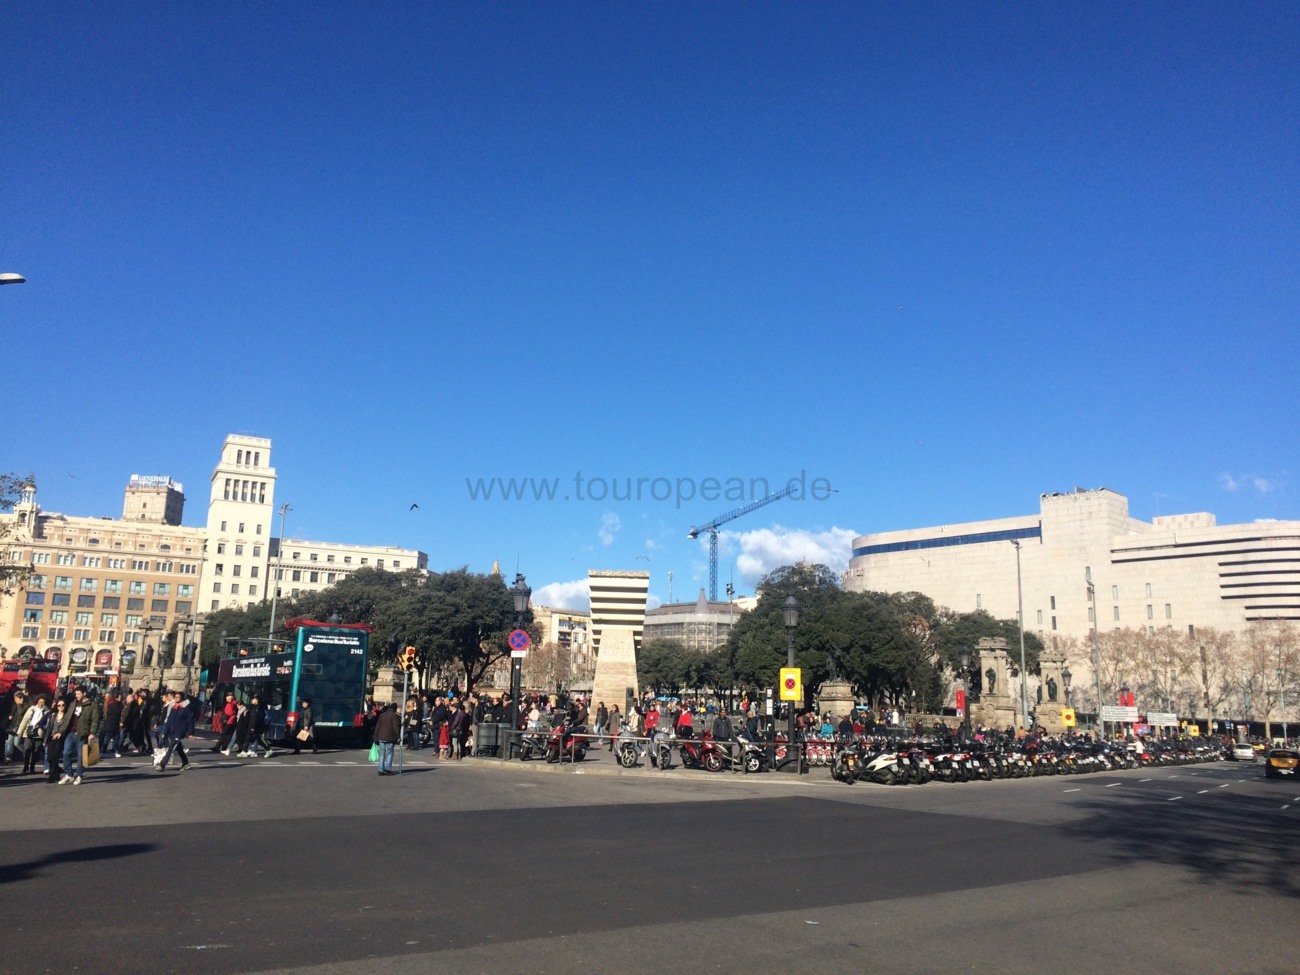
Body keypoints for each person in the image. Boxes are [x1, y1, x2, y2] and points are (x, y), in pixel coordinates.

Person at [62, 685, 101, 785]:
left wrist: (92, 733)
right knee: (66, 753)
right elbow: (67, 718)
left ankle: (79, 775)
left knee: (81, 757)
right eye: (76, 694)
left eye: (78, 694)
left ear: (84, 694)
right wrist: (61, 730)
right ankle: (69, 774)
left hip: (82, 733)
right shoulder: (73, 703)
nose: (77, 696)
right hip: (70, 732)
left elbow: (95, 720)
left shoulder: (92, 705)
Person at [156, 691, 195, 772]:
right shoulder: (174, 707)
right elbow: (169, 721)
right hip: (172, 731)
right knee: (178, 747)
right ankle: (186, 763)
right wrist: (165, 732)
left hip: (180, 731)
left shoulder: (186, 708)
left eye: (178, 697)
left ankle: (162, 764)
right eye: (175, 697)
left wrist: (190, 733)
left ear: (182, 698)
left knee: (171, 747)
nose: (176, 698)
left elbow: (190, 721)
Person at [16, 695, 48, 775]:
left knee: (36, 751)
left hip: (39, 733)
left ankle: (32, 767)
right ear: (37, 702)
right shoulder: (31, 709)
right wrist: (20, 731)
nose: (41, 704)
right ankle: (25, 766)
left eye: (43, 702)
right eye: (39, 702)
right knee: (27, 749)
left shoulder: (47, 711)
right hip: (29, 732)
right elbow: (25, 720)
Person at [45, 698, 71, 782]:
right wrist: (46, 739)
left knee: (55, 757)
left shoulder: (67, 716)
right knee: (49, 758)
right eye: (59, 705)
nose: (61, 707)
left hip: (61, 739)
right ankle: (57, 770)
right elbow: (49, 727)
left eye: (63, 705)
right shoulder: (53, 715)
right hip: (52, 738)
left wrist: (61, 733)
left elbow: (67, 728)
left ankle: (51, 776)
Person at [372, 704, 401, 775]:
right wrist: (398, 737)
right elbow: (396, 727)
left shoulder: (382, 715)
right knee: (390, 753)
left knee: (382, 754)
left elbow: (378, 726)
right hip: (390, 737)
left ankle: (381, 769)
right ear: (395, 709)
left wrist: (375, 736)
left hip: (381, 737)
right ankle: (387, 769)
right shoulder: (395, 716)